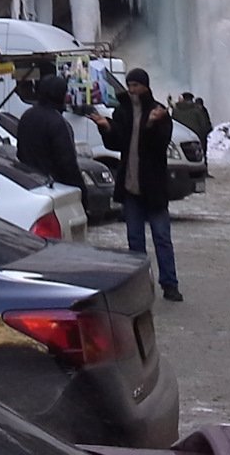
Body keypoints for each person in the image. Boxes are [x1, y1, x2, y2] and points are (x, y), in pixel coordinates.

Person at [92, 67, 181, 302]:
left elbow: (160, 144)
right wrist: (106, 127)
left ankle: (170, 285)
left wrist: (151, 125)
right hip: (131, 187)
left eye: (136, 85)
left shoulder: (159, 112)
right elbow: (116, 143)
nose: (132, 90)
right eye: (129, 85)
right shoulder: (123, 112)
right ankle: (140, 284)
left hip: (153, 187)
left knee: (162, 238)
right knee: (135, 241)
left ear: (146, 87)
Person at [16, 74, 86, 193]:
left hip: (29, 183)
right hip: (55, 187)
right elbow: (67, 162)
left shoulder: (27, 115)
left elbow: (21, 151)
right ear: (61, 94)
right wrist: (81, 190)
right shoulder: (58, 122)